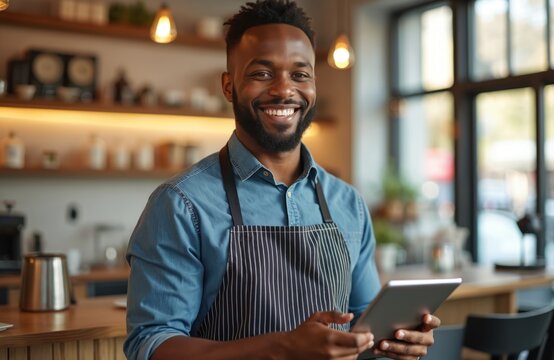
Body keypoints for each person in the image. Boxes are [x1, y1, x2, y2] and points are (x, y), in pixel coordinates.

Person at [124, 1, 440, 359]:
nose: (283, 89)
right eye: (262, 73)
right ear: (229, 87)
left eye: (300, 75)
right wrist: (283, 346)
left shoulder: (347, 203)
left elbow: (363, 321)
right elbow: (151, 345)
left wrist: (394, 339)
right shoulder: (181, 204)